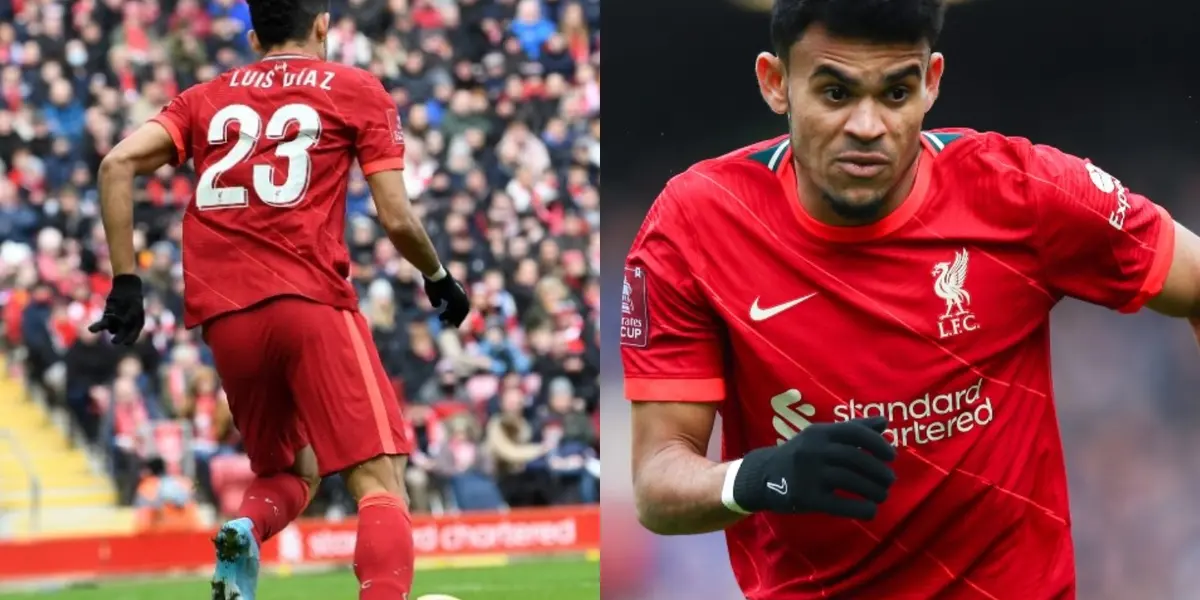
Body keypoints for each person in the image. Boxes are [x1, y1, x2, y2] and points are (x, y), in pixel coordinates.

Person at [620, 0, 1200, 598]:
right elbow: (657, 485)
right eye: (836, 93)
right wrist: (759, 478)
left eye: (895, 93)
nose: (868, 126)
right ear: (775, 82)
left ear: (931, 84)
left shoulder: (1021, 192)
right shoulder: (695, 225)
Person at [87, 0, 471, 598]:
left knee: (291, 470)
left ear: (251, 36)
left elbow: (116, 165)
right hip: (310, 299)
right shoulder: (354, 87)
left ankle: (246, 527)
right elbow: (396, 217)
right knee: (380, 480)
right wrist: (439, 275)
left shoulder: (204, 97)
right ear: (322, 25)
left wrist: (126, 281)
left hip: (225, 318)